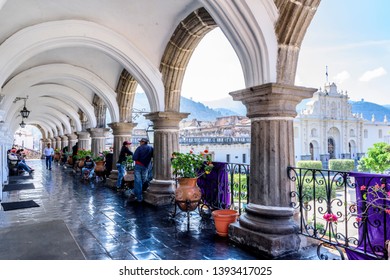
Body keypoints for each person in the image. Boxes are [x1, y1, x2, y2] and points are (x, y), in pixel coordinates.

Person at [131, 138, 153, 202]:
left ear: (143, 142)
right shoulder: (151, 148)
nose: (140, 142)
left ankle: (139, 197)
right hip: (146, 166)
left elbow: (134, 157)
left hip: (138, 166)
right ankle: (135, 192)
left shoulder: (139, 148)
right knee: (143, 180)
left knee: (138, 181)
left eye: (140, 141)